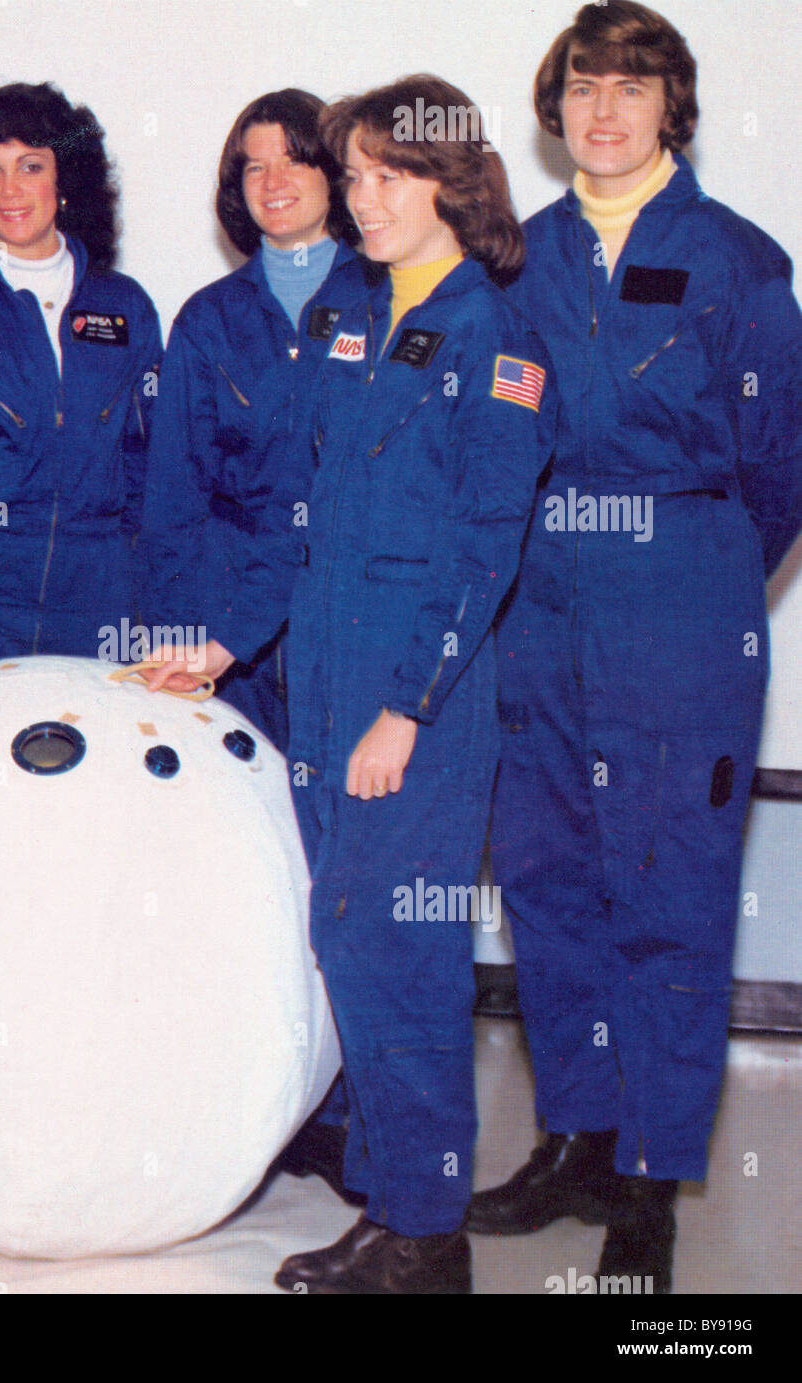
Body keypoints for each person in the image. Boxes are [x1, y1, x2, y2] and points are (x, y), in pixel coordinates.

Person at [472, 1, 802, 1293]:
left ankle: (655, 1180)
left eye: (633, 87)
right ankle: (583, 1136)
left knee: (668, 893)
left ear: (673, 109)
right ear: (556, 113)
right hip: (539, 609)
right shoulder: (519, 262)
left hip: (677, 606)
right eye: (583, 89)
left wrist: (696, 569)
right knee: (552, 882)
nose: (604, 111)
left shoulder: (737, 260)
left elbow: (781, 471)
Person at [268, 77, 555, 1294]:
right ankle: (393, 1205)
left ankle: (430, 1233)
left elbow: (484, 551)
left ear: (452, 185)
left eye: (390, 176)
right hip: (324, 679)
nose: (363, 200)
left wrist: (406, 711)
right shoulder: (356, 314)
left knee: (401, 954)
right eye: (356, 177)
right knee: (352, 940)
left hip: (411, 706)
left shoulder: (495, 340)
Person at [138, 89, 373, 1202]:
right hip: (224, 651)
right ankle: (250, 1102)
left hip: (342, 631)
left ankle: (345, 1111)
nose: (271, 182)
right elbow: (172, 503)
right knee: (244, 875)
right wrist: (190, 647)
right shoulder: (206, 319)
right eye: (248, 167)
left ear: (337, 174)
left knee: (344, 879)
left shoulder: (384, 295)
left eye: (294, 161)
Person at [0, 82, 161, 688]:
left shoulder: (128, 310)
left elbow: (153, 468)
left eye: (31, 166)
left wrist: (152, 602)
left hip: (105, 602)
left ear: (67, 181)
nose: (10, 190)